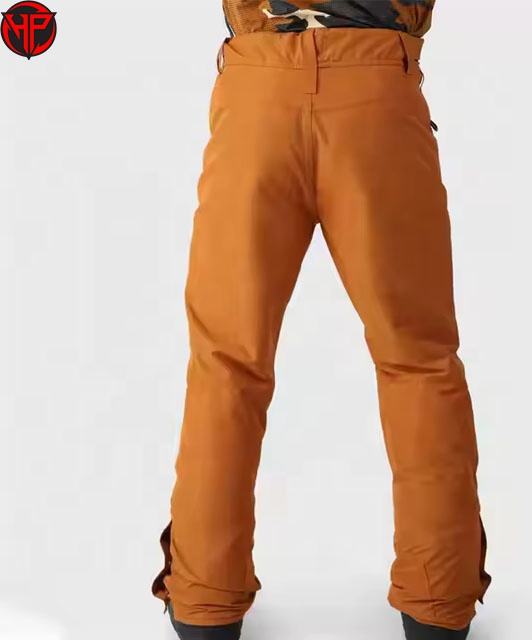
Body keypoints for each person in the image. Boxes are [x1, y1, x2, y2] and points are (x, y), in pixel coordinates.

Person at [151, 2, 491, 639]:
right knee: (417, 360)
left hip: (256, 97)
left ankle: (204, 602)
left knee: (228, 364)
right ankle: (438, 603)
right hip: (378, 94)